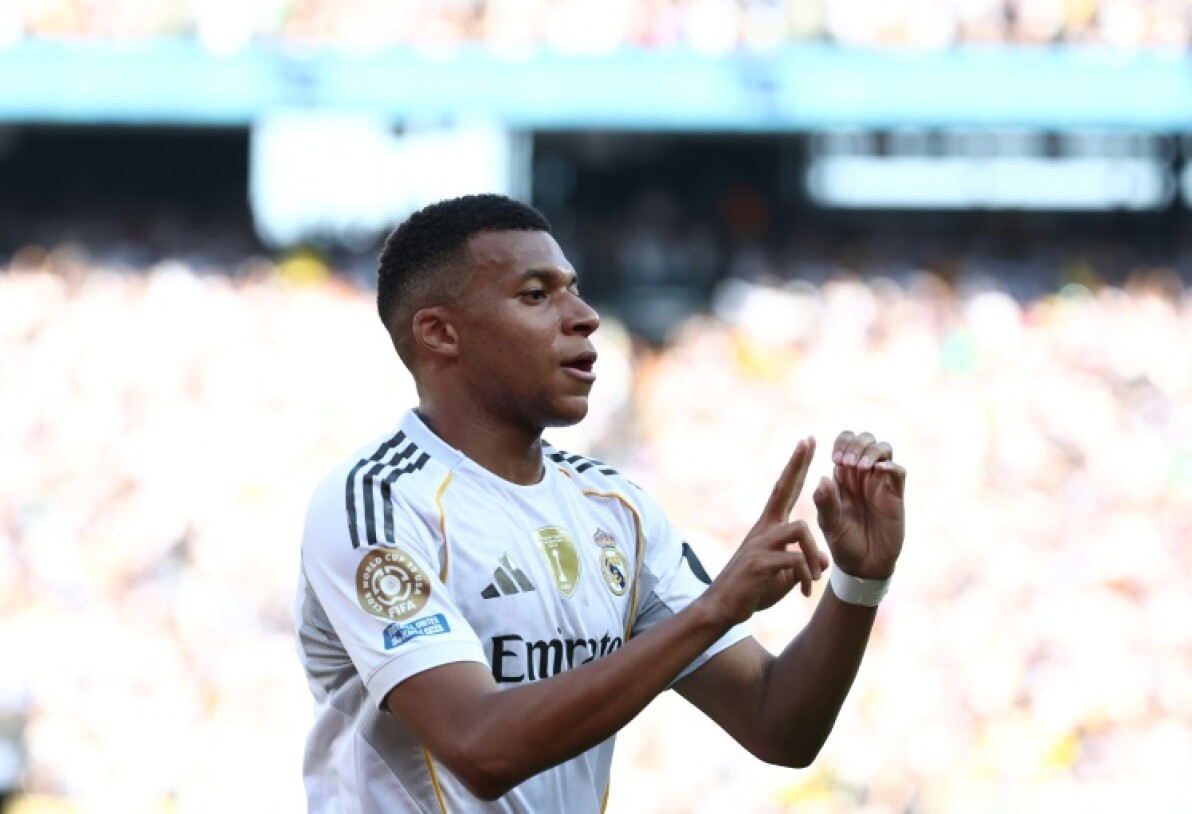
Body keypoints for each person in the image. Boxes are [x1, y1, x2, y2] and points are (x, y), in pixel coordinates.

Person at [293, 194, 907, 813]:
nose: (584, 315)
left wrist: (860, 581)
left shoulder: (615, 509)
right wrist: (714, 609)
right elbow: (480, 749)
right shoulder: (379, 501)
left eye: (574, 288)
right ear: (440, 333)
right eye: (537, 294)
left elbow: (777, 723)